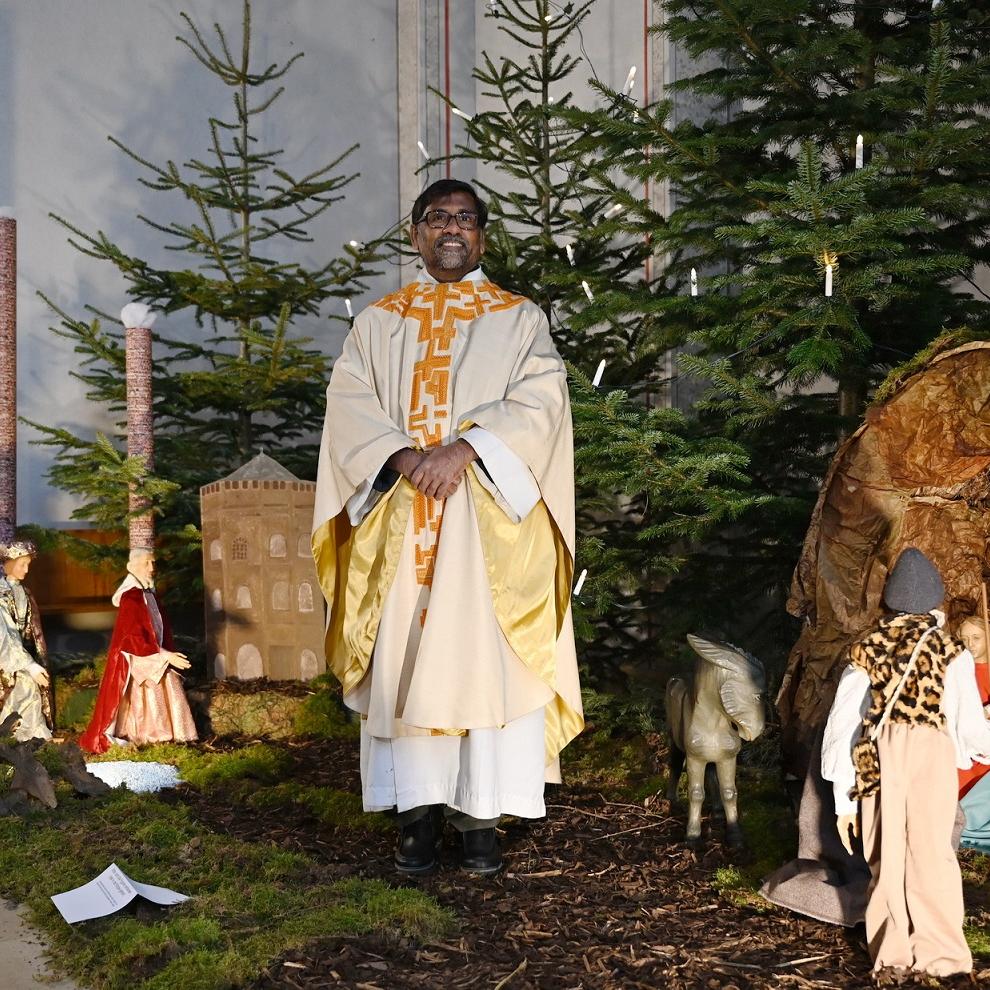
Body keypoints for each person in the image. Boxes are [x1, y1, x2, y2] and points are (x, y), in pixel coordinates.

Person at [312, 178, 582, 875]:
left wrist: (466, 451)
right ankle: (414, 816)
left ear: (483, 235)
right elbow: (349, 402)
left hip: (486, 525)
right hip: (402, 518)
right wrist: (404, 457)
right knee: (403, 654)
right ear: (416, 234)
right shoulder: (378, 322)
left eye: (464, 218)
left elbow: (542, 401)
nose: (451, 229)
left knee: (485, 660)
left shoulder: (520, 319)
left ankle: (482, 816)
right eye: (437, 218)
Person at [821, 548, 990, 977]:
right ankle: (945, 959)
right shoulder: (952, 651)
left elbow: (844, 727)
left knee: (886, 858)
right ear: (936, 600)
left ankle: (891, 957)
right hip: (931, 758)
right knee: (934, 857)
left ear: (891, 600)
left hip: (879, 761)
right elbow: (969, 727)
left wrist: (844, 800)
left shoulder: (866, 650)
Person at [79, 548, 197, 753]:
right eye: (146, 563)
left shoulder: (149, 594)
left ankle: (171, 734)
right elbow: (132, 637)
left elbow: (158, 629)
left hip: (153, 654)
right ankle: (150, 734)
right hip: (137, 658)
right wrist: (165, 655)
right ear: (132, 567)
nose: (152, 568)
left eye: (153, 563)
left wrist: (166, 652)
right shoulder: (131, 598)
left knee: (167, 682)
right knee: (151, 689)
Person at [0, 540, 52, 741]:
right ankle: (16, 738)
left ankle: (32, 738)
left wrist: (36, 661)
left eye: (28, 565)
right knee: (26, 686)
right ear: (9, 564)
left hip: (21, 656)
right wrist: (30, 665)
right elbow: (6, 637)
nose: (26, 570)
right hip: (7, 659)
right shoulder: (1, 595)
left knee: (33, 685)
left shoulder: (24, 593)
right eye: (22, 564)